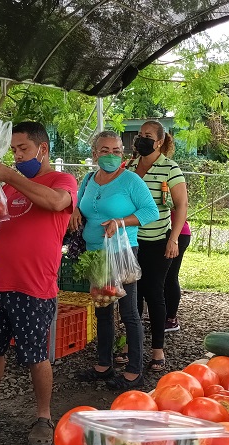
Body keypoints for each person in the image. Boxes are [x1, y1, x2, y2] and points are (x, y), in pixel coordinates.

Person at [0, 121, 77, 445]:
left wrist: (10, 176)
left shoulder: (61, 180)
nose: (18, 155)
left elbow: (55, 203)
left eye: (23, 149)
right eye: (14, 150)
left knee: (36, 355)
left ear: (42, 149)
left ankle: (44, 417)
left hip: (34, 286)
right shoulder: (7, 188)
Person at [69, 131, 158, 389]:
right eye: (104, 150)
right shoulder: (88, 179)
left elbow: (150, 211)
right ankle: (104, 364)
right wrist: (76, 209)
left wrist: (121, 222)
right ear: (95, 153)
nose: (110, 155)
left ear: (123, 153)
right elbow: (82, 203)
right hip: (96, 252)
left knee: (129, 311)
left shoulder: (131, 181)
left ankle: (134, 370)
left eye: (116, 151)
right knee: (103, 309)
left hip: (121, 251)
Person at [125, 121, 188, 372]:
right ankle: (131, 346)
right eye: (140, 135)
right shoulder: (129, 166)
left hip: (158, 242)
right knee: (132, 296)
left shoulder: (170, 168)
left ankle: (157, 351)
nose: (141, 139)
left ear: (160, 141)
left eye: (148, 136)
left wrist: (173, 239)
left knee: (154, 293)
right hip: (130, 242)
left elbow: (181, 206)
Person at [164, 210, 191, 332]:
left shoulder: (172, 190)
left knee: (170, 276)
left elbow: (181, 207)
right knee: (163, 277)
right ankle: (164, 315)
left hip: (177, 234)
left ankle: (171, 319)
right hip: (167, 233)